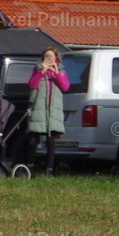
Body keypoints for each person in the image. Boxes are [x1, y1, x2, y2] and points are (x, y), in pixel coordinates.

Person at [25, 47, 70, 176]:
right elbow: (32, 85)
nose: (49, 58)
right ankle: (29, 168)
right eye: (46, 56)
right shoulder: (37, 69)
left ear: (56, 57)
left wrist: (56, 73)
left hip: (52, 112)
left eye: (51, 56)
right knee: (33, 140)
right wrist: (41, 72)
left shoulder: (61, 71)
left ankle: (48, 171)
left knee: (51, 142)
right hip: (38, 111)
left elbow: (65, 87)